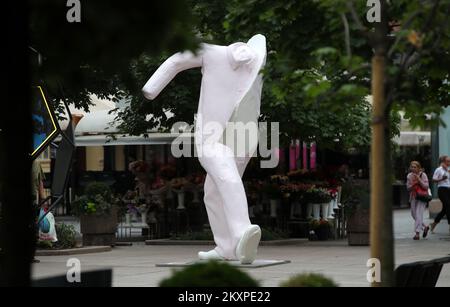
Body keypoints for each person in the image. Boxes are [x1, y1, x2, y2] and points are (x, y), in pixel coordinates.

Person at [142, 34, 266, 264]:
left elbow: (175, 61)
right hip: (246, 134)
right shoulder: (256, 59)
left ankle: (241, 231)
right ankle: (226, 247)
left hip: (214, 133)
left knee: (223, 172)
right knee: (213, 191)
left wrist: (151, 88)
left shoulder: (210, 52)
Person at [406, 161, 430, 240]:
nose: (413, 168)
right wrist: (413, 184)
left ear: (418, 168)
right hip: (413, 196)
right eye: (411, 167)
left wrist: (419, 179)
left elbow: (426, 187)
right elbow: (408, 188)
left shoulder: (423, 175)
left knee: (418, 214)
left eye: (415, 167)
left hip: (422, 197)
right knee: (414, 214)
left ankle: (417, 233)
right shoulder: (409, 176)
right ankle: (425, 227)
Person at [429, 156, 450, 233]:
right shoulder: (438, 169)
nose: (449, 163)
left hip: (449, 190)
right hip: (442, 190)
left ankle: (434, 224)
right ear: (443, 162)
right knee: (448, 205)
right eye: (448, 161)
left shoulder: (448, 170)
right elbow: (434, 179)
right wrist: (442, 179)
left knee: (445, 209)